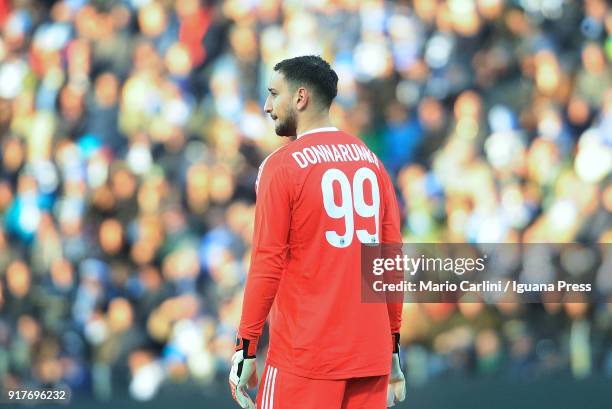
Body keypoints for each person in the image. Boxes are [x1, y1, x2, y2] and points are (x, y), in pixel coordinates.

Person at [228, 55, 406, 409]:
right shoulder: (371, 160)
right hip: (369, 356)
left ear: (300, 98)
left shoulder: (282, 166)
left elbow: (267, 261)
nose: (267, 106)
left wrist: (246, 346)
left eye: (273, 93)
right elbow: (390, 260)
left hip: (306, 356)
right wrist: (393, 344)